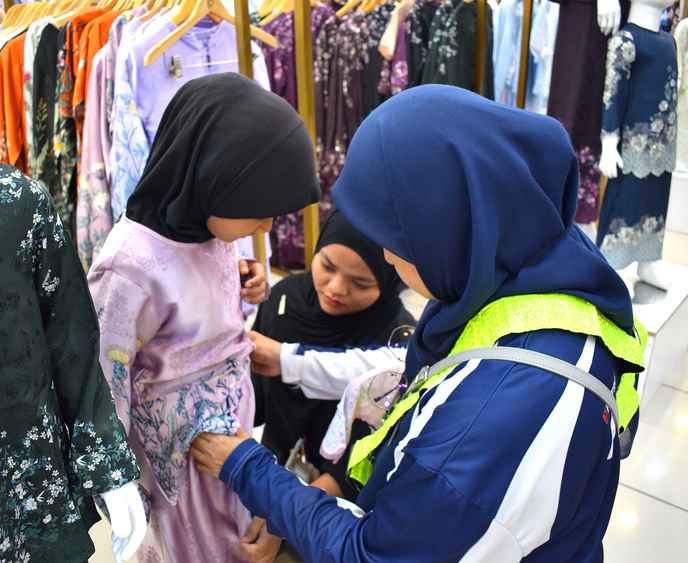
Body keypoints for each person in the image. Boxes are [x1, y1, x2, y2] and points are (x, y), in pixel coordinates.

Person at [191, 85, 646, 562]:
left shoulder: (488, 419)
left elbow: (373, 555)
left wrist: (251, 471)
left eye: (396, 236)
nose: (387, 255)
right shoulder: (535, 263)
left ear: (446, 230)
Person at [88, 73, 320, 563]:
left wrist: (244, 282)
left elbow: (204, 302)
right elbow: (105, 380)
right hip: (178, 459)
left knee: (235, 535)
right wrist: (118, 484)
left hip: (229, 431)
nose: (266, 227)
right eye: (258, 212)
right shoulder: (130, 268)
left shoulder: (208, 230)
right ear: (211, 180)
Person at [251, 209, 413, 492]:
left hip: (339, 489)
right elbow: (256, 394)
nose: (336, 288)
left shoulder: (397, 341)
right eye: (327, 266)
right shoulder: (285, 299)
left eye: (360, 283)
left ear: (389, 282)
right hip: (273, 465)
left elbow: (377, 442)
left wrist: (303, 502)